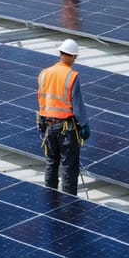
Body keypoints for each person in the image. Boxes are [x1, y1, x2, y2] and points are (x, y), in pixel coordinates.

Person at [37, 39, 91, 195]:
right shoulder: (71, 76)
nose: (75, 60)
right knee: (69, 166)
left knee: (51, 162)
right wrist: (84, 125)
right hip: (65, 129)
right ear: (70, 56)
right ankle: (69, 201)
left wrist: (42, 118)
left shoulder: (44, 73)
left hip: (47, 126)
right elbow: (78, 104)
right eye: (75, 56)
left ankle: (50, 197)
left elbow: (40, 98)